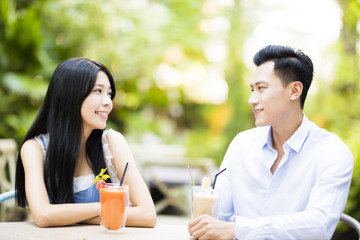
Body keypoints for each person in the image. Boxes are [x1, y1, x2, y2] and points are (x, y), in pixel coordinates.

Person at [188, 45, 354, 240]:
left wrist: (238, 230)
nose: (252, 99)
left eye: (261, 88)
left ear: (294, 90)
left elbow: (318, 226)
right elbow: (218, 217)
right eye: (252, 89)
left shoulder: (332, 153)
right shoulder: (242, 145)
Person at [15, 57, 156, 228]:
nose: (108, 102)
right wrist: (106, 207)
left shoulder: (112, 143)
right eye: (98, 91)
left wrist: (62, 216)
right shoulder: (35, 149)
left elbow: (147, 215)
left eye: (109, 93)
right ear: (71, 95)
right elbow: (43, 216)